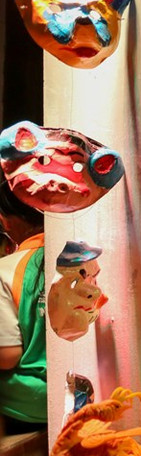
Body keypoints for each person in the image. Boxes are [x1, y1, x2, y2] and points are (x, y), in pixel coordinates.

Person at [0, 181, 46, 434]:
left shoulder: (6, 270)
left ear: (5, 221)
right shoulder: (78, 259)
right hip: (80, 395)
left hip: (28, 405)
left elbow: (7, 357)